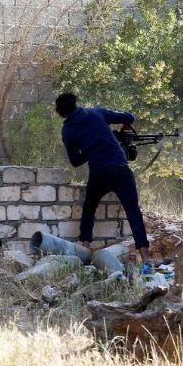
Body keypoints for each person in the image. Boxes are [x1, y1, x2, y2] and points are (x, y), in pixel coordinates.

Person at [55, 91, 150, 264]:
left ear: (61, 112)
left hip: (98, 173)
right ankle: (145, 258)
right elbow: (130, 117)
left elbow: (75, 161)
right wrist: (112, 136)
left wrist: (89, 148)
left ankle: (85, 248)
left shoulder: (67, 129)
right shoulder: (96, 112)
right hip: (120, 169)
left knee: (89, 209)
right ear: (75, 104)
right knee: (133, 212)